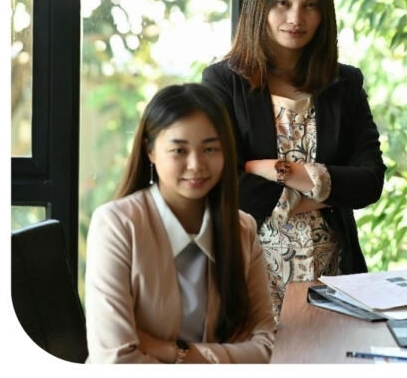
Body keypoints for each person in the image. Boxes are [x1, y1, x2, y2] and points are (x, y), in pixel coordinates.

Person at [202, 0, 385, 319]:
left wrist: (279, 171)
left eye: (310, 5)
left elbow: (370, 182)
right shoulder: (223, 82)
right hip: (251, 277)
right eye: (283, 3)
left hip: (333, 282)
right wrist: (327, 192)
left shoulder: (344, 83)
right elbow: (225, 188)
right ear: (260, 5)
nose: (296, 18)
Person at [85, 84, 276, 363]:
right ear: (150, 150)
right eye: (179, 150)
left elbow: (268, 346)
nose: (196, 165)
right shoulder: (116, 226)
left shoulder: (242, 228)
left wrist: (176, 353)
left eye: (210, 149)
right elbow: (115, 361)